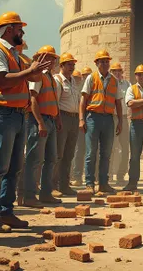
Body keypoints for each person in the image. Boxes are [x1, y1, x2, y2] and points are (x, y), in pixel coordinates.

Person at [0, 12, 51, 233]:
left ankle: (6, 212)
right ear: (9, 29)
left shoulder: (16, 55)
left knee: (14, 167)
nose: (23, 33)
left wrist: (35, 72)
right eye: (20, 29)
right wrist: (29, 71)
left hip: (18, 115)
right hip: (2, 114)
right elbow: (0, 79)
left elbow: (30, 78)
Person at [79, 50, 123, 194]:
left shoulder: (114, 80)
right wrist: (81, 119)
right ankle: (90, 184)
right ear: (96, 63)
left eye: (106, 61)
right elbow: (83, 100)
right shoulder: (91, 78)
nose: (104, 64)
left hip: (108, 119)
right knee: (91, 152)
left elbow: (118, 102)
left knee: (106, 153)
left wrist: (120, 121)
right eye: (101, 61)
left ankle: (104, 184)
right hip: (93, 118)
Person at [23, 46, 61, 207]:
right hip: (39, 121)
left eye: (52, 58)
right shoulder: (37, 76)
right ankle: (29, 196)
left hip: (50, 120)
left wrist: (57, 118)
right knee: (34, 159)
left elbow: (53, 100)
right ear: (39, 59)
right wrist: (40, 123)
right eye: (47, 58)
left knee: (51, 159)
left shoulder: (51, 78)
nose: (51, 61)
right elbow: (33, 100)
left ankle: (46, 193)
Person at [53, 53, 80, 196]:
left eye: (73, 64)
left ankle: (65, 185)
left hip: (74, 119)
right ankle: (54, 185)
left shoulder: (73, 81)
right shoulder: (57, 80)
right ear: (61, 65)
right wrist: (57, 120)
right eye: (69, 64)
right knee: (59, 153)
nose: (72, 67)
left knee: (69, 154)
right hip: (62, 117)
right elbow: (55, 103)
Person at [70, 67, 92, 186]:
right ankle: (77, 176)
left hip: (91, 119)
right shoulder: (76, 88)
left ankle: (93, 177)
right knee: (79, 150)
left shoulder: (91, 86)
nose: (83, 78)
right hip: (80, 120)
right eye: (83, 75)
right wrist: (81, 119)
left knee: (92, 150)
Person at [110, 62, 131, 185]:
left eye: (119, 71)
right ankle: (109, 174)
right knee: (110, 147)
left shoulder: (127, 84)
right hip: (111, 118)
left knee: (125, 148)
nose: (117, 73)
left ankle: (121, 175)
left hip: (123, 118)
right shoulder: (108, 83)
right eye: (114, 71)